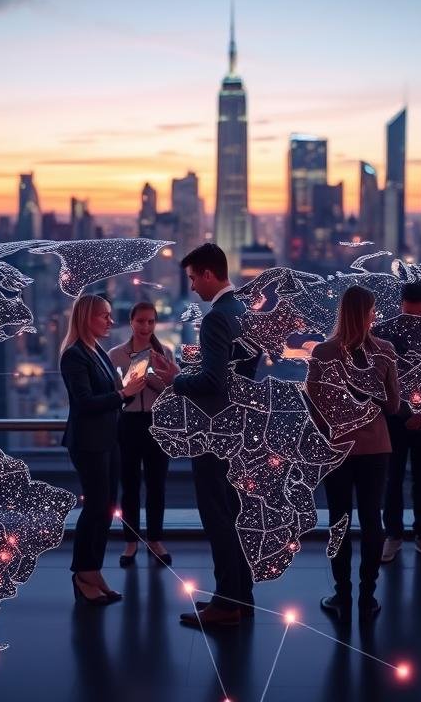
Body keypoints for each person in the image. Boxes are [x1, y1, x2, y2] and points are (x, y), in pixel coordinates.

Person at [151, 243, 259, 627]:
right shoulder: (243, 311)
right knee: (232, 515)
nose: (193, 287)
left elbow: (214, 382)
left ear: (210, 274)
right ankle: (239, 598)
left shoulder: (216, 319)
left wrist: (174, 379)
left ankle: (227, 603)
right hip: (237, 431)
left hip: (214, 432)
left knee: (218, 517)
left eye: (195, 278)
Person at [309, 285, 400, 622]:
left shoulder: (323, 352)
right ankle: (368, 594)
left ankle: (342, 593)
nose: (375, 314)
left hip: (338, 448)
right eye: (373, 309)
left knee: (339, 520)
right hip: (376, 448)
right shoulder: (386, 351)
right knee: (372, 521)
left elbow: (315, 406)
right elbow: (393, 405)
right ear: (366, 313)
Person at [61, 294, 146, 605]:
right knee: (95, 508)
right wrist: (124, 393)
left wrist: (128, 386)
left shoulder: (95, 351)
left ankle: (92, 570)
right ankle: (83, 574)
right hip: (89, 443)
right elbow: (83, 403)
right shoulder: (74, 356)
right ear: (86, 318)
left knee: (105, 508)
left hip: (109, 440)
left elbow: (108, 391)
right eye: (104, 316)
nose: (111, 321)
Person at [376, 280, 421, 564]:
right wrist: (413, 412)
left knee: (418, 480)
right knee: (399, 480)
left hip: (411, 420)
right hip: (405, 420)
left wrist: (415, 413)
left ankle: (411, 535)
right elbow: (377, 382)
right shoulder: (382, 335)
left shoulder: (384, 333)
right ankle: (401, 535)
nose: (416, 317)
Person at [108, 302, 176, 567]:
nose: (145, 326)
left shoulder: (165, 352)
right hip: (127, 422)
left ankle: (156, 539)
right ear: (131, 322)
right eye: (141, 321)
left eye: (150, 322)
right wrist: (130, 387)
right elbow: (112, 393)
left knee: (157, 484)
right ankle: (131, 541)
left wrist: (156, 380)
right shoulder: (115, 355)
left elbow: (174, 392)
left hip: (157, 423)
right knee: (130, 485)